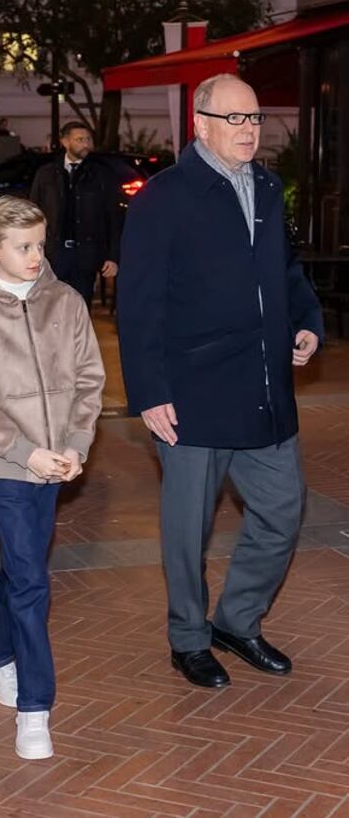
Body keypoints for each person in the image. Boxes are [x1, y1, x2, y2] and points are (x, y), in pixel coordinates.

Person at [117, 74, 324, 690]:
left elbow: (285, 270)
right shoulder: (164, 196)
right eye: (234, 119)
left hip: (263, 389)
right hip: (192, 396)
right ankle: (188, 639)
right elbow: (138, 302)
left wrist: (307, 320)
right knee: (188, 529)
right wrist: (150, 392)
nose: (249, 130)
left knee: (284, 509)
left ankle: (236, 620)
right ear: (200, 124)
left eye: (255, 118)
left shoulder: (266, 185)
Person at [0, 195, 105, 760]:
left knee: (23, 567)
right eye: (23, 247)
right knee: (33, 581)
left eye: (40, 243)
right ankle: (35, 707)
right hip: (7, 464)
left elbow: (89, 379)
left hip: (58, 458)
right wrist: (24, 452)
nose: (37, 255)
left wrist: (75, 444)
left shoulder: (65, 301)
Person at [30, 121, 121, 307]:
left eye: (88, 139)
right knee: (50, 307)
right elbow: (33, 214)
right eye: (79, 140)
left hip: (86, 255)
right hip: (53, 254)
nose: (85, 144)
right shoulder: (47, 174)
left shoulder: (101, 175)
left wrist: (113, 256)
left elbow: (113, 217)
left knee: (80, 308)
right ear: (65, 142)